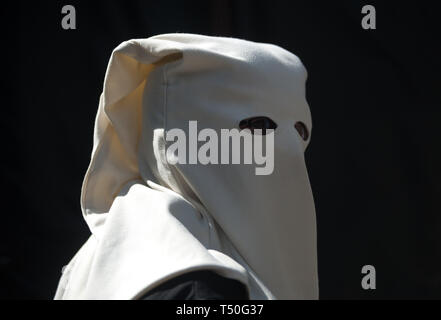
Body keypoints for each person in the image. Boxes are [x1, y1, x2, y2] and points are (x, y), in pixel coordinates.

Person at [54, 34, 318, 300]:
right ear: (193, 134)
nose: (288, 148)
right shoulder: (197, 284)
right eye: (261, 126)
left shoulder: (104, 248)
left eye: (300, 131)